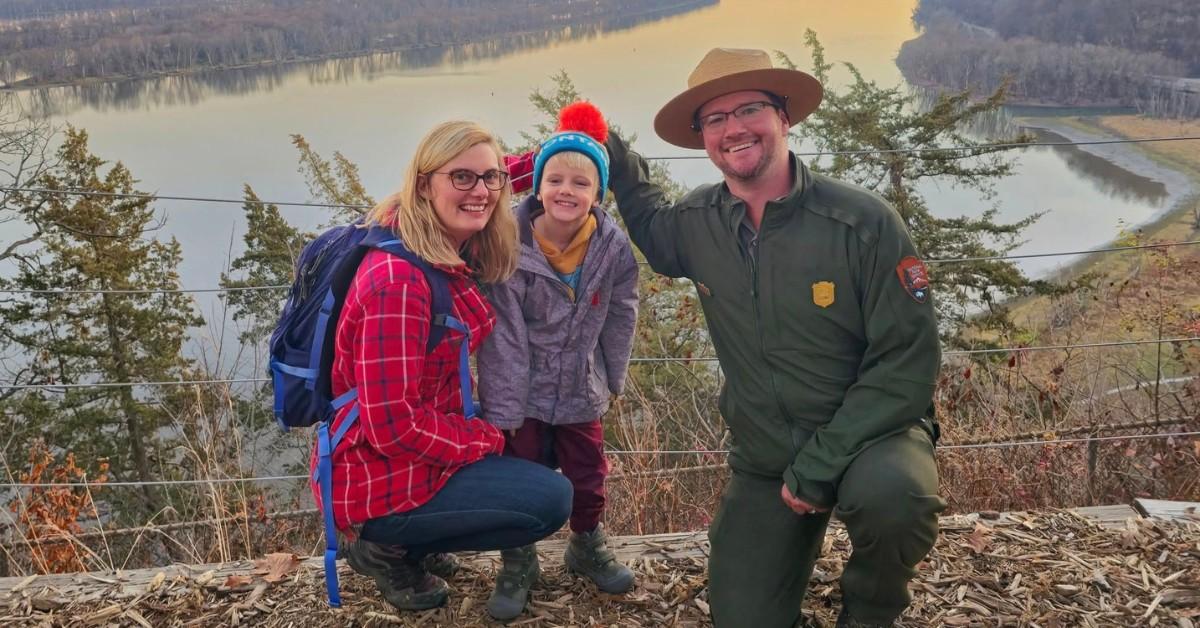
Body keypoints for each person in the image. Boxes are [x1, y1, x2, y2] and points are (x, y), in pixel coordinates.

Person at [603, 48, 947, 628]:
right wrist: (606, 148)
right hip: (764, 458)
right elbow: (653, 227)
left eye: (750, 109)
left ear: (784, 118)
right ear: (703, 137)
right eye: (715, 119)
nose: (734, 128)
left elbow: (908, 362)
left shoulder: (862, 221)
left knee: (898, 499)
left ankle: (869, 612)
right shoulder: (697, 223)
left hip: (871, 438)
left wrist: (821, 462)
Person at [311, 120, 573, 612]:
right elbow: (392, 427)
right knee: (549, 499)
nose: (482, 192)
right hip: (376, 473)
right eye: (462, 178)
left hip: (411, 452)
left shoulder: (421, 232)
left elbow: (491, 179)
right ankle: (386, 548)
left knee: (534, 465)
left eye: (490, 178)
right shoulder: (398, 284)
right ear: (424, 184)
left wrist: (566, 148)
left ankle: (416, 537)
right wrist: (484, 440)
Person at [477, 102, 640, 620]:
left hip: (579, 390)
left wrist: (612, 376)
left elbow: (621, 311)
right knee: (521, 475)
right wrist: (502, 406)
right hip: (520, 394)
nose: (567, 191)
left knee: (588, 474)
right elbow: (500, 333)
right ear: (536, 186)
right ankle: (518, 558)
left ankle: (586, 542)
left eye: (581, 183)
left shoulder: (612, 249)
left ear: (598, 194)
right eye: (555, 179)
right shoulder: (509, 244)